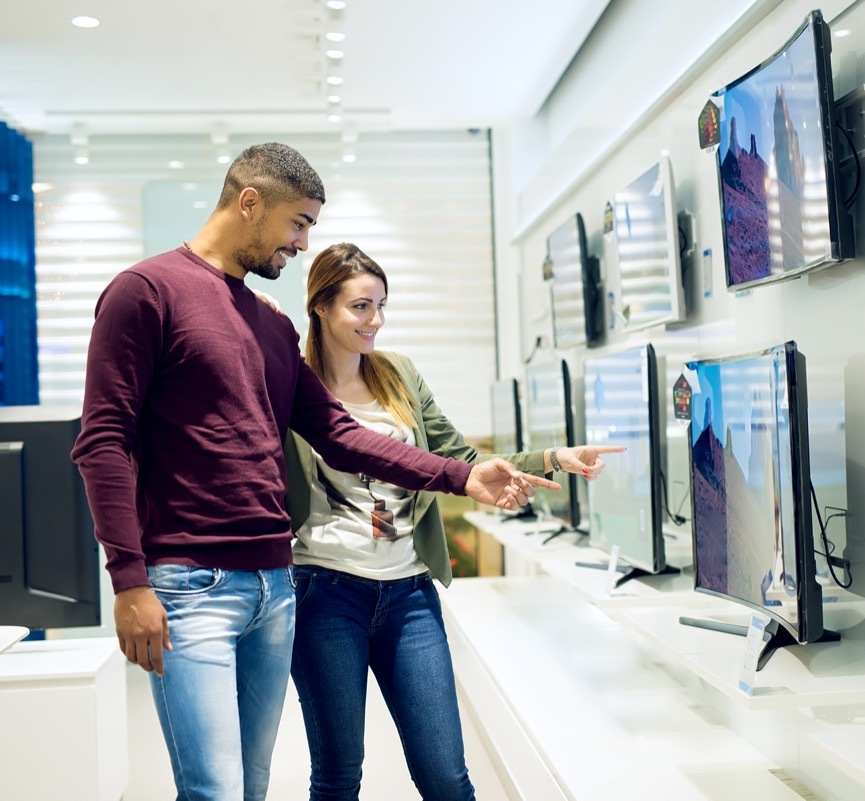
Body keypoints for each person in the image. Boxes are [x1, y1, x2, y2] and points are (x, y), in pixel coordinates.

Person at [69, 143, 557, 801]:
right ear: (250, 202)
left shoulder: (268, 324)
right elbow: (103, 441)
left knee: (252, 786)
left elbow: (341, 435)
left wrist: (461, 476)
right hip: (191, 586)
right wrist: (129, 581)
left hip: (276, 586)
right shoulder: (146, 292)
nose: (301, 244)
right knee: (212, 788)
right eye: (298, 223)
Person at [281, 242, 622, 800]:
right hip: (325, 592)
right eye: (361, 307)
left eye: (382, 305)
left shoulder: (398, 375)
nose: (376, 321)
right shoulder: (293, 386)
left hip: (409, 594)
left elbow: (459, 463)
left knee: (446, 775)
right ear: (320, 307)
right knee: (339, 776)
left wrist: (551, 457)